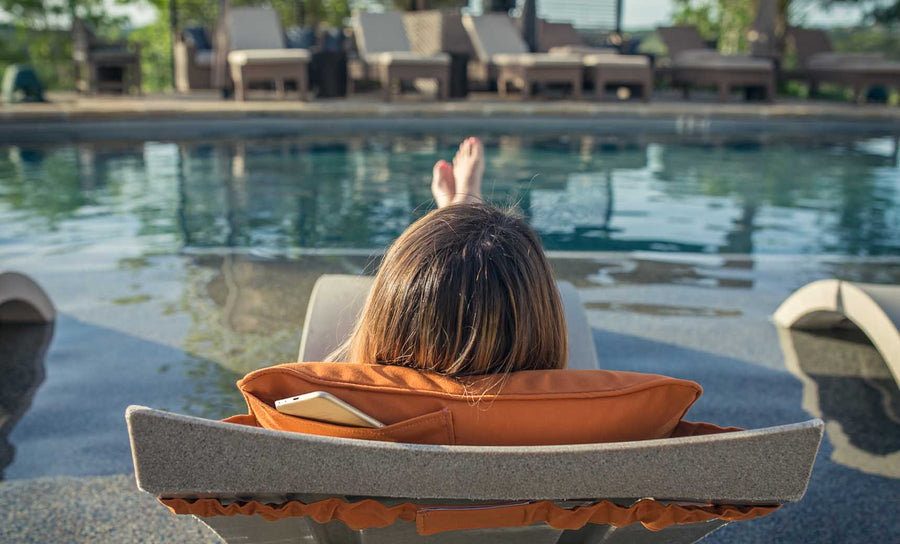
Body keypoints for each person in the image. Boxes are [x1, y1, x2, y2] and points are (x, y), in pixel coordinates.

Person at [329, 137, 567, 376]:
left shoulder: (326, 397)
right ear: (546, 332)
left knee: (427, 272)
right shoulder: (586, 409)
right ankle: (461, 208)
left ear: (377, 328)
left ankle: (457, 211)